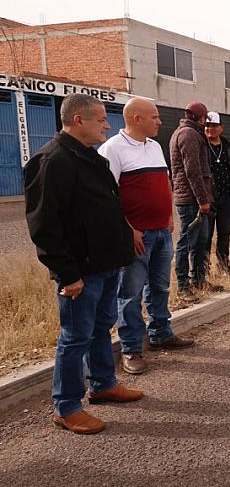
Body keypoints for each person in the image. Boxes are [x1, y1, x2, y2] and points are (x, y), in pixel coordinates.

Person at [24, 94, 143, 434]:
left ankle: (103, 383)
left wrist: (125, 238)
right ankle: (66, 406)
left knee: (101, 327)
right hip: (80, 272)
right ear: (79, 120)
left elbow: (107, 207)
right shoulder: (52, 161)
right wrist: (67, 273)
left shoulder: (93, 159)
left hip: (107, 264)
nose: (108, 125)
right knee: (75, 337)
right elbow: (44, 227)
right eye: (102, 119)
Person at [98, 97, 194, 376]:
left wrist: (168, 217)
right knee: (129, 294)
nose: (159, 121)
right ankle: (131, 348)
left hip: (162, 232)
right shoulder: (111, 150)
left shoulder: (154, 146)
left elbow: (164, 183)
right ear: (136, 118)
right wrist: (128, 229)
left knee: (160, 287)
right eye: (154, 117)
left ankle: (161, 333)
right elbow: (107, 197)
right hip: (136, 237)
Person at [169, 101, 219, 302]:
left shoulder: (190, 133)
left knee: (201, 240)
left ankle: (199, 280)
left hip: (196, 198)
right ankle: (183, 286)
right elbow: (193, 171)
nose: (206, 122)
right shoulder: (188, 135)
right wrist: (202, 200)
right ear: (200, 117)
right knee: (187, 241)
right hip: (191, 199)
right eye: (205, 118)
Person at [204, 111, 230, 274]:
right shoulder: (201, 146)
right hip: (208, 199)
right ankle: (204, 270)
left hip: (227, 198)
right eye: (207, 126)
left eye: (214, 126)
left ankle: (223, 266)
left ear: (221, 128)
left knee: (224, 234)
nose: (210, 129)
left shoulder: (228, 147)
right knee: (205, 237)